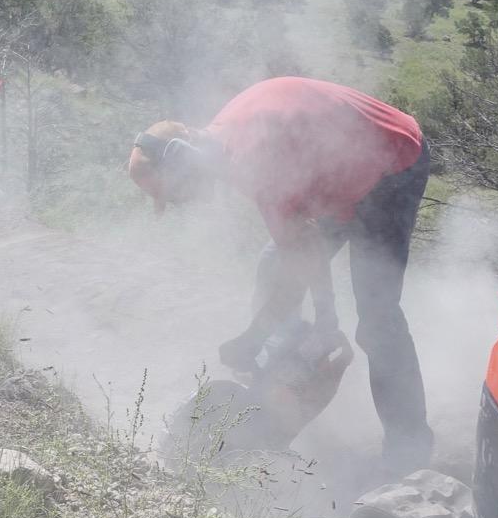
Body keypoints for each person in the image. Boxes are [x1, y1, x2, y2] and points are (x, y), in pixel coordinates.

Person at [126, 76, 434, 472]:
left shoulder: (257, 162)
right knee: (275, 265)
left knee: (377, 317)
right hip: (338, 176)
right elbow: (299, 248)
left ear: (182, 158)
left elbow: (304, 255)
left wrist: (302, 325)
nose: (181, 204)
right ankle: (278, 382)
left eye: (173, 193)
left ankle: (408, 452)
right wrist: (281, 331)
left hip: (393, 163)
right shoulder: (225, 141)